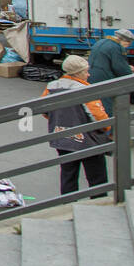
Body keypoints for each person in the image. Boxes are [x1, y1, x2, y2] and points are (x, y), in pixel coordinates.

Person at [43, 56, 111, 196]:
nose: (88, 74)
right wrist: (108, 129)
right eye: (86, 71)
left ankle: (67, 204)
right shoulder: (85, 90)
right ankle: (99, 203)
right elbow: (98, 117)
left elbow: (44, 110)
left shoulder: (52, 87)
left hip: (62, 137)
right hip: (88, 140)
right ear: (78, 73)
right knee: (96, 176)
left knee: (68, 175)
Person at [88, 28, 134, 116]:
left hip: (90, 76)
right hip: (104, 79)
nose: (127, 46)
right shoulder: (116, 47)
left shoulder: (101, 42)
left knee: (95, 103)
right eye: (128, 44)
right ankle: (107, 126)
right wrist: (129, 70)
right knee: (107, 105)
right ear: (125, 41)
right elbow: (121, 69)